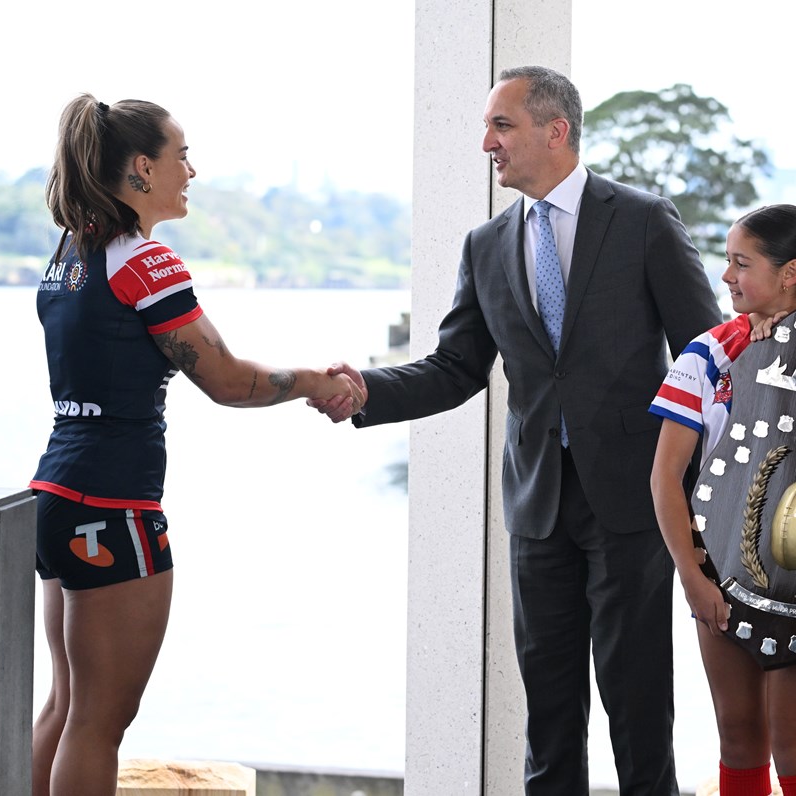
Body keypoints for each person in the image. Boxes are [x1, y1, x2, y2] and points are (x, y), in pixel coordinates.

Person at [309, 65, 722, 795]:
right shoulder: (486, 245)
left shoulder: (643, 220)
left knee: (638, 716)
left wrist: (709, 501)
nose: (485, 144)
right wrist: (366, 391)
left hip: (633, 508)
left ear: (555, 130)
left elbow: (706, 356)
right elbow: (455, 368)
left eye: (501, 126)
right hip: (538, 513)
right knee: (549, 724)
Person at [28, 93, 364, 796]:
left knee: (67, 706)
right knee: (100, 719)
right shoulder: (144, 261)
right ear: (143, 169)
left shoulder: (72, 254)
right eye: (182, 155)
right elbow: (230, 382)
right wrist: (315, 381)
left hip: (59, 492)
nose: (193, 170)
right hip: (115, 502)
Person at [650, 204, 796, 796]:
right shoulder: (707, 354)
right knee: (737, 736)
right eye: (727, 261)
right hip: (714, 571)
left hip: (791, 584)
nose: (727, 277)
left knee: (792, 744)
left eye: (742, 263)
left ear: (790, 274)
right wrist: (692, 577)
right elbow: (665, 478)